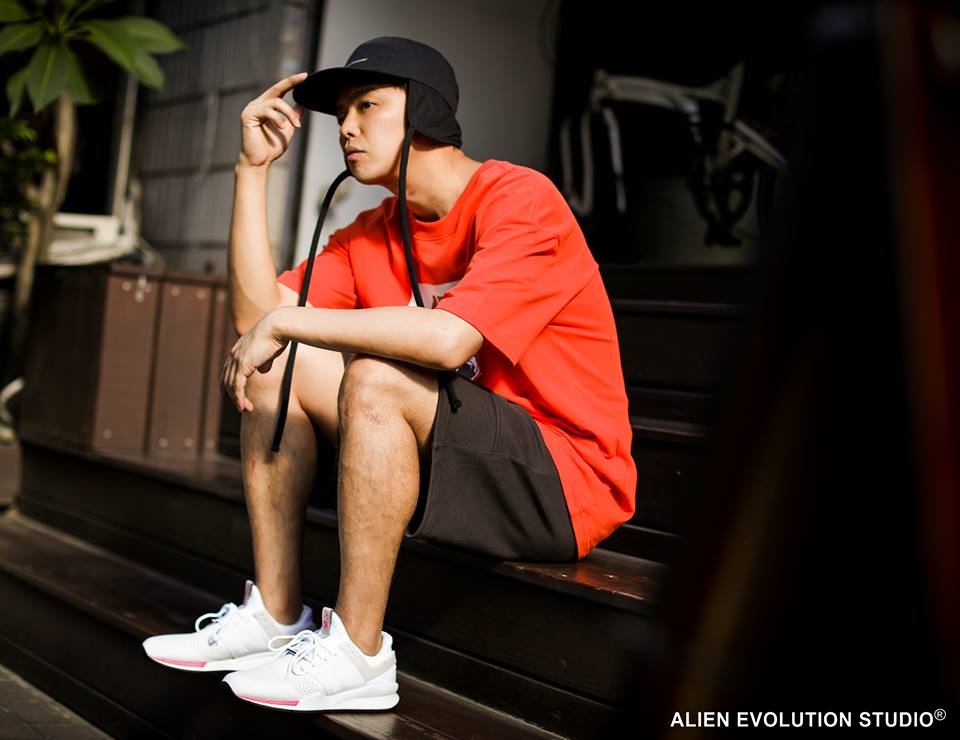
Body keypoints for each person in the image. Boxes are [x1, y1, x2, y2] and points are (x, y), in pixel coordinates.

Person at [141, 36, 636, 713]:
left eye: (367, 105)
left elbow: (448, 341)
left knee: (376, 376)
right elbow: (258, 321)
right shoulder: (371, 231)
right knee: (277, 368)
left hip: (561, 482)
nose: (346, 127)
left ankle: (359, 654)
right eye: (341, 112)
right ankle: (276, 615)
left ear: (426, 110)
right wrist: (251, 172)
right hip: (455, 453)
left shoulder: (521, 199)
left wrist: (289, 324)